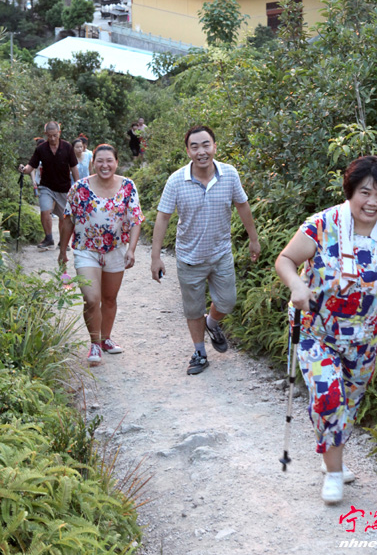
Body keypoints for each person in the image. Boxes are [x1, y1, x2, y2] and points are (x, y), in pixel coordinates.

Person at [275, 156, 377, 505]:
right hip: (316, 332)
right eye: (365, 192)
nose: (373, 202)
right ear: (350, 191)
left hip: (364, 338)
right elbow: (285, 260)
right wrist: (296, 284)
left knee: (349, 403)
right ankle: (334, 473)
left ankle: (330, 451)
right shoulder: (322, 225)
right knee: (328, 396)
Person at [151, 125, 261, 375]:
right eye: (195, 146)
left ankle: (212, 323)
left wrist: (253, 239)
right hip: (189, 257)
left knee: (227, 301)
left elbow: (242, 205)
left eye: (206, 145)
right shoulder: (176, 181)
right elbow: (163, 217)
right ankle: (199, 352)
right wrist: (155, 257)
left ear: (214, 147)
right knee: (193, 309)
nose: (201, 151)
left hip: (220, 253)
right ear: (188, 151)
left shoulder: (229, 174)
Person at [58, 144, 144, 366]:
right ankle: (95, 342)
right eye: (100, 161)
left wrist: (131, 249)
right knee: (91, 298)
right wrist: (62, 251)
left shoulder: (127, 186)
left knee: (109, 298)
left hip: (115, 249)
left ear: (116, 162)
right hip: (86, 249)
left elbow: (136, 219)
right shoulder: (79, 188)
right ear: (93, 162)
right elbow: (68, 220)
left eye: (109, 161)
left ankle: (106, 339)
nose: (105, 165)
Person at [18, 121, 79, 250]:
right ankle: (49, 238)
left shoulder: (67, 147)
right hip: (46, 186)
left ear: (59, 133)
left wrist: (78, 185)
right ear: (45, 134)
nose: (52, 138)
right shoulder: (41, 149)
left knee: (64, 217)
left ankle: (63, 242)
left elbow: (74, 167)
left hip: (64, 187)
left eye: (55, 135)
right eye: (49, 135)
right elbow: (31, 165)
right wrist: (24, 169)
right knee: (45, 210)